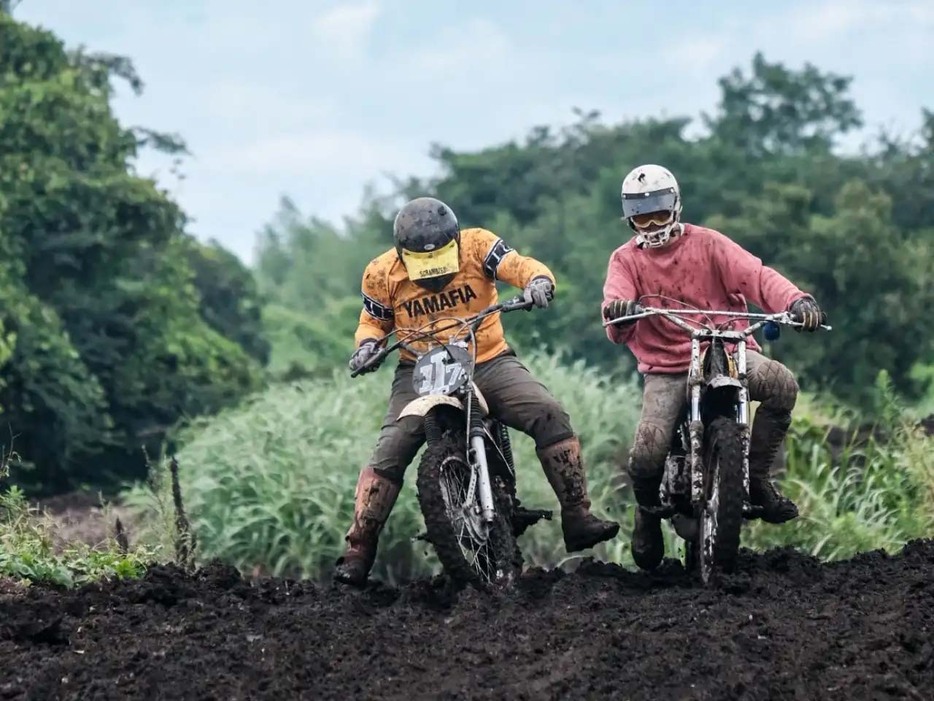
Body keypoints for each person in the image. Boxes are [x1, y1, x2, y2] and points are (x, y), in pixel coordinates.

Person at [334, 196, 620, 586]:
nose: (434, 275)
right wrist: (366, 346)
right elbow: (373, 321)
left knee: (548, 412)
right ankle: (359, 548)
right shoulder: (381, 273)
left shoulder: (478, 245)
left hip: (486, 358)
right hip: (419, 367)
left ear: (454, 243)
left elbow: (519, 266)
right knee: (390, 451)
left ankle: (577, 513)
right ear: (403, 255)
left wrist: (538, 282)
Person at [601, 164, 827, 571]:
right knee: (648, 452)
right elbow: (614, 310)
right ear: (628, 217)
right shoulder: (624, 261)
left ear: (676, 206)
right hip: (668, 365)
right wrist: (619, 311)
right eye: (641, 215)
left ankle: (756, 479)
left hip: (730, 345)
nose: (651, 223)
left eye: (659, 212)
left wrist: (796, 301)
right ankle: (648, 515)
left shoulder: (709, 244)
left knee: (782, 386)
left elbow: (757, 276)